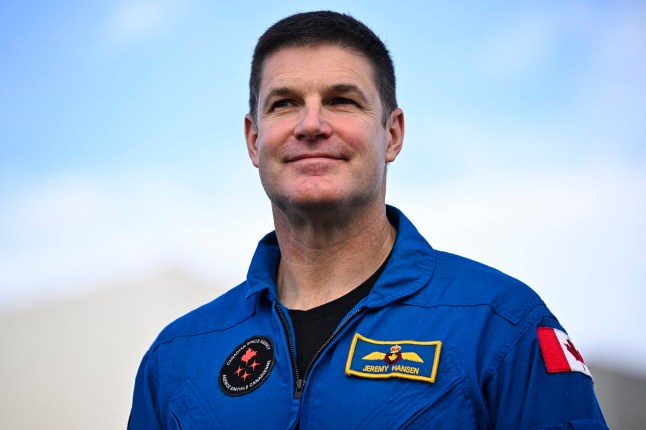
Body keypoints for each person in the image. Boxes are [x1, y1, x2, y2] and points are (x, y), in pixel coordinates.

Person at [129, 11, 607, 429]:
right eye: (284, 103)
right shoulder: (177, 358)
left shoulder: (501, 326)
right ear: (254, 140)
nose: (310, 125)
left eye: (342, 100)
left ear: (392, 134)